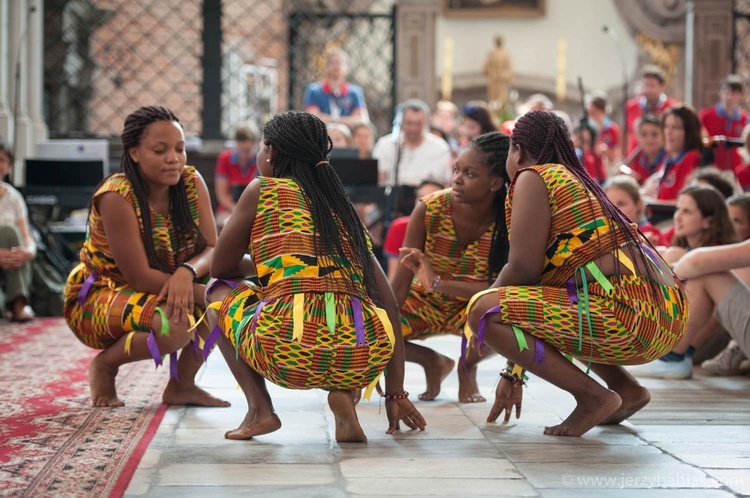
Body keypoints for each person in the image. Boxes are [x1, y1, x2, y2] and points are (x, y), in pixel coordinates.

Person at [205, 111, 426, 443]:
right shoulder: (340, 205)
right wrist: (396, 392)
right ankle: (346, 392)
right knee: (344, 314)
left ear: (271, 153)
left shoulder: (262, 190)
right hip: (363, 356)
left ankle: (259, 411)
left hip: (284, 351)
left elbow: (220, 269)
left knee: (214, 294)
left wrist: (275, 265)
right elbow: (389, 304)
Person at [465, 110, 687, 437]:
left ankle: (592, 397)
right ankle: (625, 389)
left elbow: (522, 271)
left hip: (631, 318)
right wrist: (513, 372)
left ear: (519, 150)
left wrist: (475, 318)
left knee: (484, 310)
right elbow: (537, 304)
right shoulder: (573, 180)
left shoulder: (533, 176)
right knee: (566, 298)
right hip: (665, 318)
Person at [63, 106, 230, 409]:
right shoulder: (117, 195)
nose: (173, 158)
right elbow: (138, 276)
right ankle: (105, 366)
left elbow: (211, 247)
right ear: (135, 153)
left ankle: (182, 386)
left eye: (180, 149)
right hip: (101, 294)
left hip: (165, 283)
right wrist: (201, 291)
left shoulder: (191, 182)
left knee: (217, 306)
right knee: (175, 327)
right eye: (160, 150)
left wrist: (186, 273)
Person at [391, 132, 510, 403]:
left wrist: (438, 283)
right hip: (422, 302)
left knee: (501, 316)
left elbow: (500, 289)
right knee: (377, 327)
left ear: (495, 183)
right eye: (456, 169)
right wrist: (380, 326)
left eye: (470, 174)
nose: (457, 178)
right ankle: (432, 361)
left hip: (472, 307)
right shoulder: (428, 209)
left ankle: (467, 367)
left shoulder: (509, 218)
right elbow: (401, 281)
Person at [629, 184, 737, 379]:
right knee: (668, 254)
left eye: (687, 211)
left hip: (702, 344)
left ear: (708, 221)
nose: (677, 216)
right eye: (678, 209)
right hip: (675, 337)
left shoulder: (719, 253)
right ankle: (658, 349)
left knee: (690, 265)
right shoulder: (680, 247)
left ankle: (672, 355)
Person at [699, 192, 750, 375]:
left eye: (737, 221)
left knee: (714, 273)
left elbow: (694, 262)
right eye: (728, 219)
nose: (730, 225)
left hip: (717, 333)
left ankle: (678, 354)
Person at [372, 99, 452, 187]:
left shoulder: (440, 148)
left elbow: (441, 182)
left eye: (418, 124)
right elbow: (378, 180)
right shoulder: (385, 144)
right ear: (402, 121)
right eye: (409, 123)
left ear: (426, 123)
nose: (413, 129)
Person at [0, 144, 36, 322]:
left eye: (1, 160)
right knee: (7, 230)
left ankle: (18, 304)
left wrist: (27, 252)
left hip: (11, 260)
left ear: (8, 167)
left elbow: (27, 236)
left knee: (16, 239)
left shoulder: (14, 197)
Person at [382, 179, 444, 279]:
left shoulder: (451, 228)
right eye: (421, 197)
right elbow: (393, 275)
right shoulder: (399, 226)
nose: (425, 202)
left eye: (432, 198)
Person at [643, 105, 703, 203]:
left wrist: (650, 202)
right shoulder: (668, 159)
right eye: (666, 126)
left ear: (688, 132)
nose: (668, 132)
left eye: (675, 127)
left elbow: (684, 203)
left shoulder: (691, 157)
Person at [303, 48, 368, 128]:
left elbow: (361, 120)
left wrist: (330, 120)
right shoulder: (314, 90)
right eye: (332, 63)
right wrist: (345, 121)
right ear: (326, 67)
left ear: (347, 68)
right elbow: (312, 119)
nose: (336, 66)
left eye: (340, 63)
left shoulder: (355, 92)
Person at [698, 74, 749, 172]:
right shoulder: (705, 116)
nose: (728, 97)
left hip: (737, 173)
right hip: (711, 170)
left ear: (741, 95)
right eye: (725, 92)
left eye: (733, 93)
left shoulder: (746, 120)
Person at [625, 64, 678, 155]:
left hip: (663, 158)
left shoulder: (672, 107)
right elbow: (625, 134)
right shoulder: (631, 106)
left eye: (652, 86)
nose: (648, 90)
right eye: (646, 85)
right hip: (636, 159)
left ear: (662, 87)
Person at [214, 125, 259, 228]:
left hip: (253, 209)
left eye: (247, 151)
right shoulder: (225, 158)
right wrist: (234, 209)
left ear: (255, 145)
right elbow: (222, 195)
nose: (243, 155)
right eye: (241, 150)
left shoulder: (259, 161)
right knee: (226, 223)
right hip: (229, 208)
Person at [603, 175, 664, 246]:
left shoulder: (652, 236)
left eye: (621, 204)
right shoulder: (603, 235)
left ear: (638, 204)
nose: (613, 210)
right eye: (609, 205)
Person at [624, 114, 666, 184]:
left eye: (654, 134)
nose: (649, 139)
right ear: (638, 137)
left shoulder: (669, 160)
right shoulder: (635, 161)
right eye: (644, 134)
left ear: (663, 136)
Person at [586, 91, 621, 170]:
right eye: (590, 113)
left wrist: (606, 150)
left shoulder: (613, 129)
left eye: (595, 112)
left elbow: (617, 156)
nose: (592, 117)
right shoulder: (586, 129)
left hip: (606, 170)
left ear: (603, 111)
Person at [483, 34, 513, 110]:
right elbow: (487, 67)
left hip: (502, 81)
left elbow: (509, 68)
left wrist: (504, 75)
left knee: (502, 100)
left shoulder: (505, 53)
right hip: (493, 80)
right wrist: (491, 72)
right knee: (493, 101)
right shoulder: (492, 53)